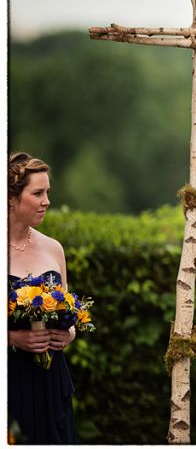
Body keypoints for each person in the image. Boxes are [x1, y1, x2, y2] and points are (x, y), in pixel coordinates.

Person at [7, 151, 78, 443]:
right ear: (11, 199)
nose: (46, 201)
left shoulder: (53, 249)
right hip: (10, 378)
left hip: (52, 379)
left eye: (47, 192)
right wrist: (13, 339)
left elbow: (69, 312)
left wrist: (69, 333)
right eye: (37, 193)